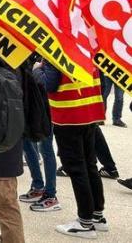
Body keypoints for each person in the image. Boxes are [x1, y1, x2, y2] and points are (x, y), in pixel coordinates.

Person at [35, 61, 108, 238]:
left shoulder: (56, 50)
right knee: (90, 165)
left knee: (76, 169)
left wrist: (37, 70)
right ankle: (97, 215)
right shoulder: (85, 48)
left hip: (69, 115)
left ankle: (84, 222)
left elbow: (49, 84)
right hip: (89, 112)